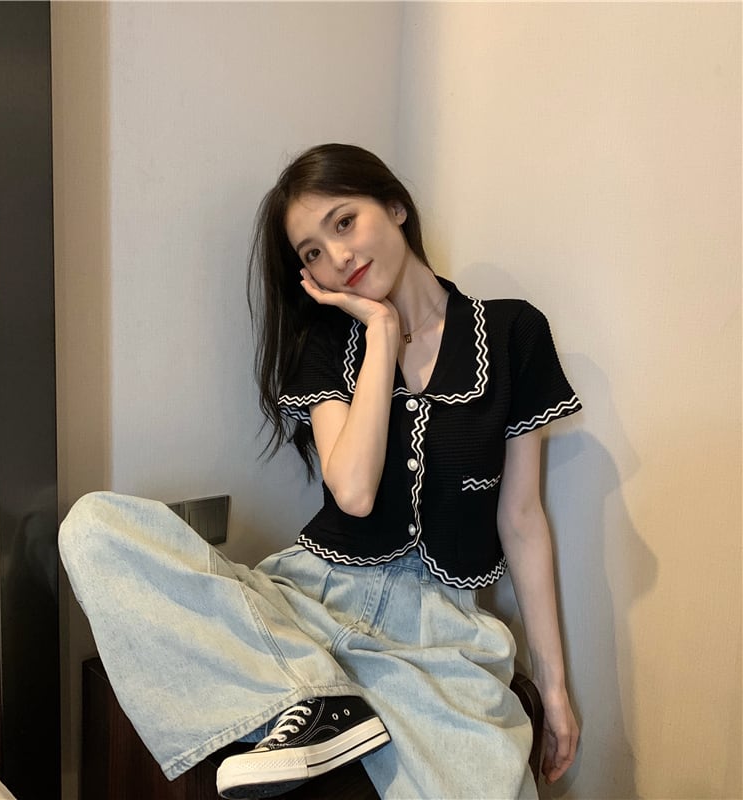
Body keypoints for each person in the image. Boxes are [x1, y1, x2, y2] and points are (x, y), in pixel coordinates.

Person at [59, 143, 581, 799]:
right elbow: (354, 491)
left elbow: (523, 519)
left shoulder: (511, 333)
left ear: (395, 206)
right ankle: (311, 701)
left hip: (439, 640)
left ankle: (319, 708)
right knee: (93, 528)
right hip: (307, 607)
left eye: (345, 222)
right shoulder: (329, 343)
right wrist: (382, 332)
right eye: (311, 252)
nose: (336, 257)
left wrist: (555, 689)